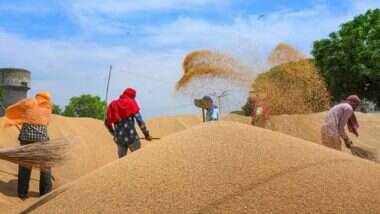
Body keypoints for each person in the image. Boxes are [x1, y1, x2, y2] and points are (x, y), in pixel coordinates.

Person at [4, 92, 53, 199]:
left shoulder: (29, 102)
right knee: (45, 167)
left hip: (26, 139)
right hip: (42, 141)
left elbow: (15, 107)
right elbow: (46, 122)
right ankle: (46, 193)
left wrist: (17, 116)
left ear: (37, 96)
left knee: (25, 167)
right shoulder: (48, 107)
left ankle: (22, 193)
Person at [105, 88, 152, 158]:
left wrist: (114, 133)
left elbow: (107, 123)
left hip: (119, 140)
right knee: (138, 159)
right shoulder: (131, 102)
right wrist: (146, 134)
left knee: (121, 162)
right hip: (132, 138)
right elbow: (140, 121)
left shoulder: (113, 104)